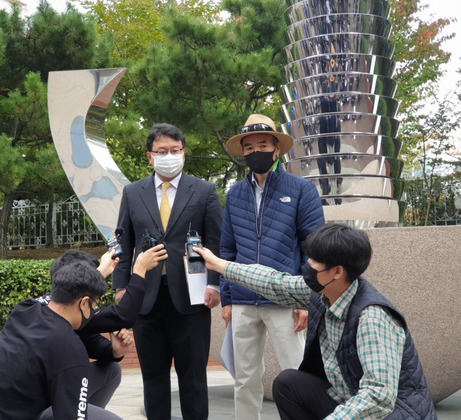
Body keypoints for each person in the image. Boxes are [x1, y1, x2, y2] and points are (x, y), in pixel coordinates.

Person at [194, 223, 437, 420]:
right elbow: (274, 282)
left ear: (337, 271)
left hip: (392, 414)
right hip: (347, 399)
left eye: (314, 261)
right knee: (289, 383)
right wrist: (219, 265)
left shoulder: (371, 317)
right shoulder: (326, 292)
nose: (307, 266)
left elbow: (378, 397)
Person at [112, 123, 223, 420]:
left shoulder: (204, 190)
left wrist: (215, 285)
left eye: (175, 151)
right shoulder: (132, 192)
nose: (169, 156)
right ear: (150, 157)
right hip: (145, 300)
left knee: (194, 379)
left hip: (192, 297)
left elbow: (216, 243)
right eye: (162, 151)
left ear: (184, 154)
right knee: (154, 379)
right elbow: (124, 244)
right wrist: (121, 288)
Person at [221, 113, 325, 418]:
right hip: (242, 299)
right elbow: (227, 249)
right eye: (249, 146)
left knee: (296, 374)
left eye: (263, 144)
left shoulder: (300, 190)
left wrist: (307, 298)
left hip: (284, 298)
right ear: (242, 152)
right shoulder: (234, 194)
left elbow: (314, 247)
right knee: (244, 379)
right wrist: (227, 299)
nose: (256, 151)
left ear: (276, 148)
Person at [0, 260, 119, 420]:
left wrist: (97, 273)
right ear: (84, 302)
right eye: (95, 305)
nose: (94, 311)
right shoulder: (69, 348)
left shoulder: (26, 310)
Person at [34, 245, 167, 419]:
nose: (96, 303)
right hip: (37, 405)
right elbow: (123, 316)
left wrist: (115, 350)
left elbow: (91, 343)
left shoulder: (36, 308)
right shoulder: (63, 313)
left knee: (112, 369)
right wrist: (140, 269)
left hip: (51, 393)